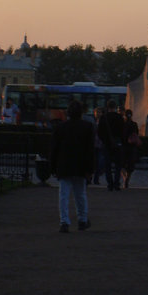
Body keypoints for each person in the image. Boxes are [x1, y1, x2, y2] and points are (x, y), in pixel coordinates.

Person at [50, 100, 95, 233]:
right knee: (80, 194)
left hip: (64, 166)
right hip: (81, 166)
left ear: (68, 113)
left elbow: (54, 149)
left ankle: (64, 222)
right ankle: (82, 220)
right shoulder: (88, 126)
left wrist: (53, 167)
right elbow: (90, 150)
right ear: (81, 113)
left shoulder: (60, 127)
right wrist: (90, 169)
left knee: (63, 195)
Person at [97, 100, 125, 191]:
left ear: (107, 107)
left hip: (106, 143)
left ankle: (110, 183)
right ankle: (117, 183)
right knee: (118, 165)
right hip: (117, 143)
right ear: (115, 107)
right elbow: (123, 131)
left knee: (107, 165)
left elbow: (99, 131)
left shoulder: (103, 118)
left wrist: (104, 140)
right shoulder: (119, 117)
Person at [122, 109, 139, 188]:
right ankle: (127, 179)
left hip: (123, 146)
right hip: (132, 147)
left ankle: (124, 178)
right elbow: (137, 134)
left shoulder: (122, 124)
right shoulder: (134, 124)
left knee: (121, 164)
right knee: (130, 165)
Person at [92, 107, 105, 185]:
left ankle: (96, 179)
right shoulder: (93, 122)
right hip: (94, 144)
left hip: (100, 144)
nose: (98, 114)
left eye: (99, 112)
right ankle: (92, 178)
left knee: (99, 162)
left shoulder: (103, 122)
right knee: (94, 162)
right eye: (97, 112)